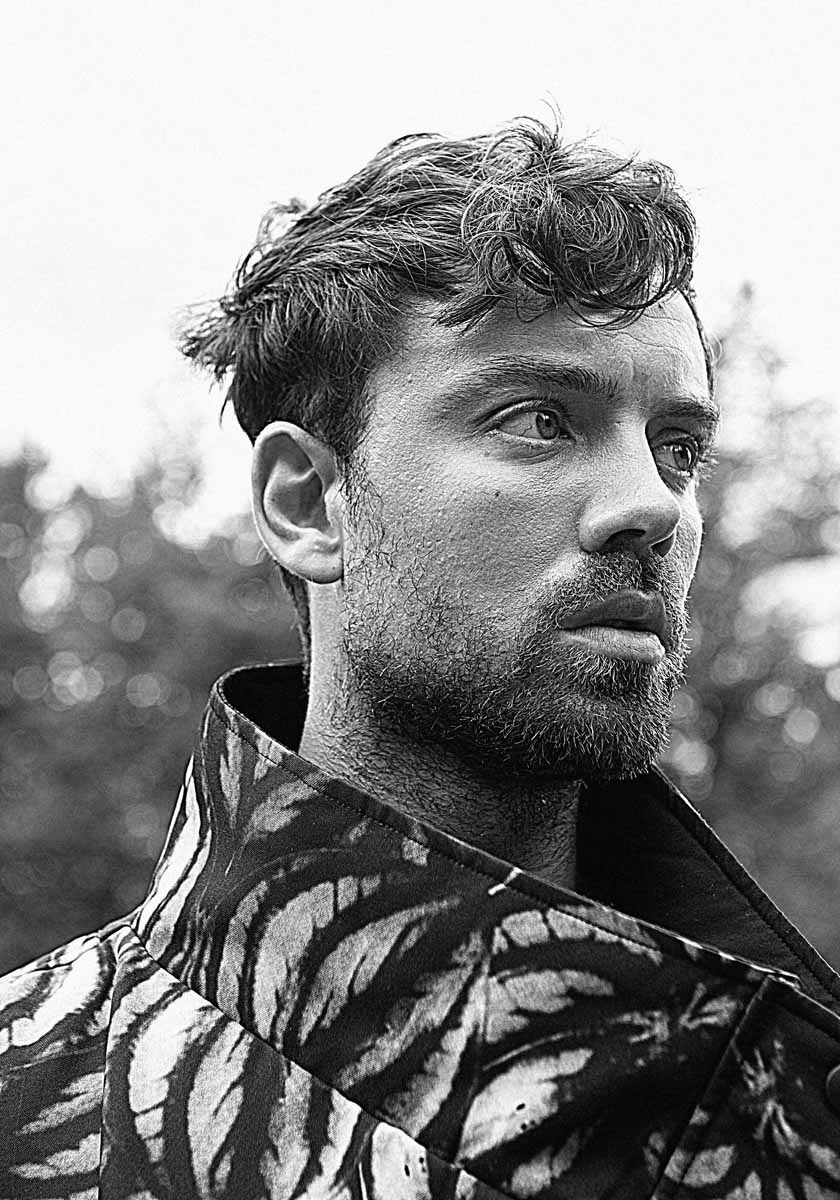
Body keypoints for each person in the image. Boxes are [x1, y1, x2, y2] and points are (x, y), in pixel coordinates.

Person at [2, 116, 840, 1200]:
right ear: (310, 503)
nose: (653, 505)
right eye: (540, 421)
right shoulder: (35, 1110)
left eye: (677, 447)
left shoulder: (793, 1105)